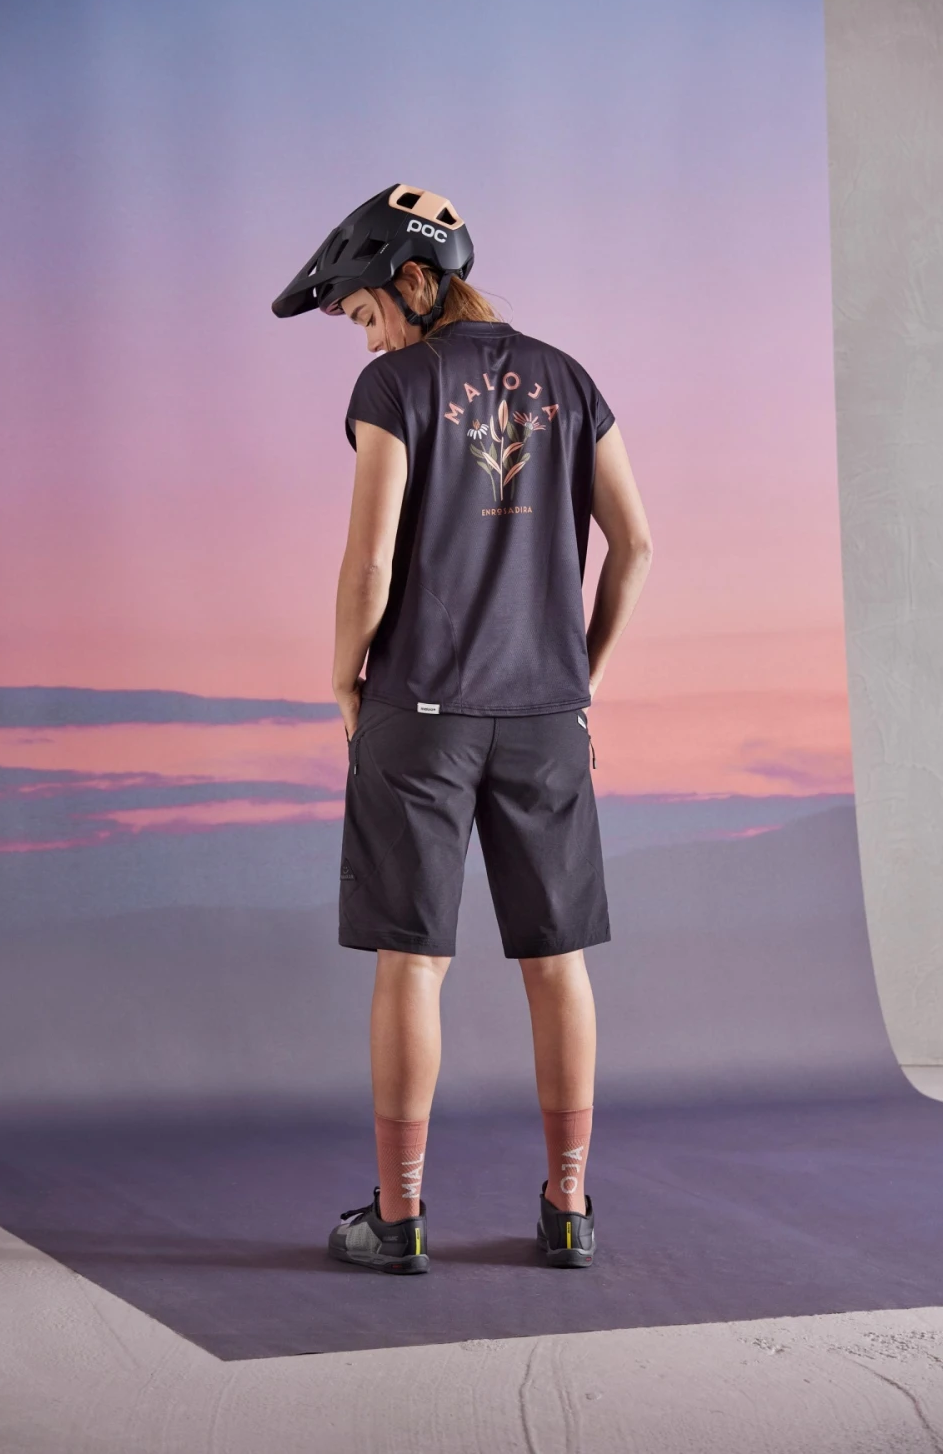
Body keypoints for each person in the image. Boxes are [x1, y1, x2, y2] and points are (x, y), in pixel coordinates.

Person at [272, 184, 652, 1273]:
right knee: (557, 962)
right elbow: (636, 544)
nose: (367, 336)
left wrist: (343, 678)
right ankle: (569, 1208)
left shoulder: (394, 386)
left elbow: (369, 560)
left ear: (413, 280)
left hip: (420, 716)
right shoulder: (570, 380)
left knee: (413, 963)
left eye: (364, 313)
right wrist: (581, 675)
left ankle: (398, 1220)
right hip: (546, 718)